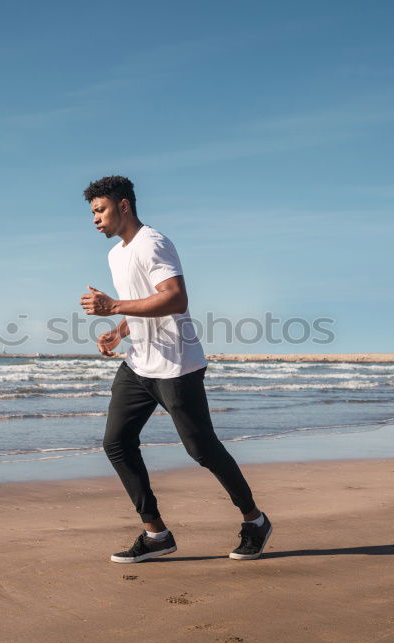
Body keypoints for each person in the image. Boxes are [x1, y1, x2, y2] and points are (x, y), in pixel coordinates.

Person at [79, 175, 272, 563]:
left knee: (202, 450)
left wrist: (114, 307)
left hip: (176, 367)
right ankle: (156, 534)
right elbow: (142, 302)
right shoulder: (116, 254)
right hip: (139, 365)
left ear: (124, 205)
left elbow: (175, 298)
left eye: (100, 210)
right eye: (92, 213)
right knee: (116, 443)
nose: (95, 219)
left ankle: (255, 520)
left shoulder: (154, 243)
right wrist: (119, 331)